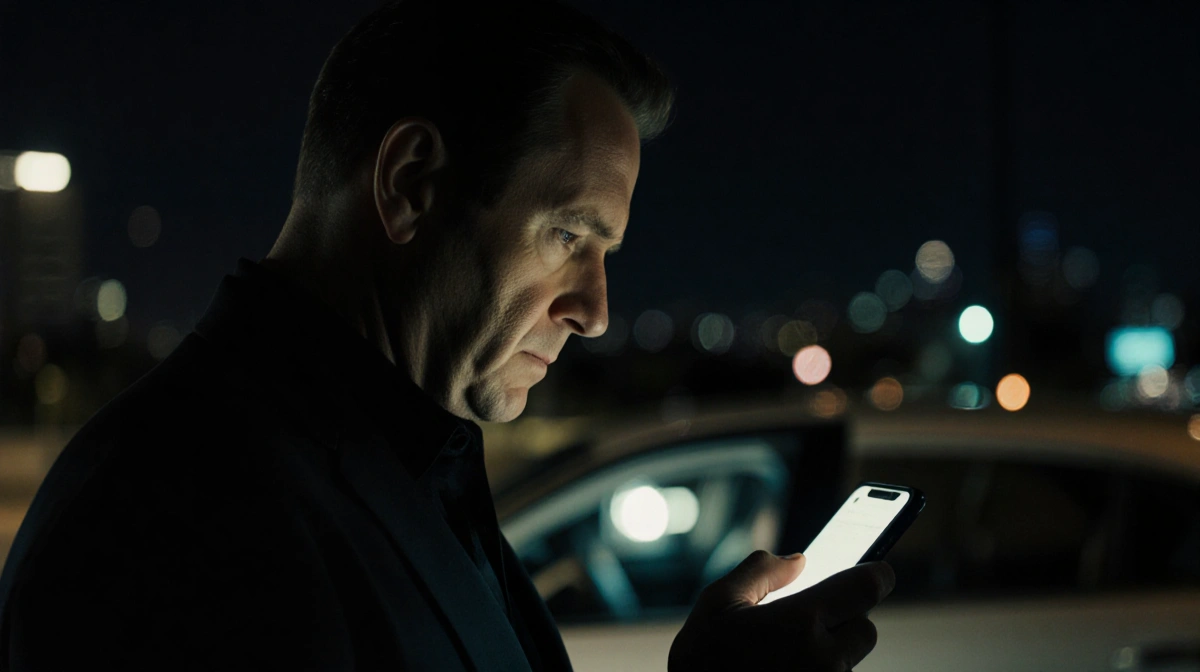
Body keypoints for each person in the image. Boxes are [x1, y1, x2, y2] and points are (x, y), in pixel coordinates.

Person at [0, 0, 894, 669]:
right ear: (411, 183)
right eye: (569, 236)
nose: (596, 309)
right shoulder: (173, 521)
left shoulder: (405, 460)